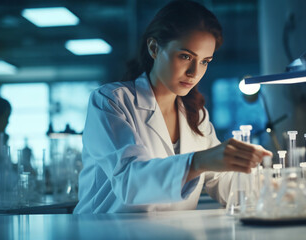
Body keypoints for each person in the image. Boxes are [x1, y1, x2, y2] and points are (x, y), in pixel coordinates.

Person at [74, 0, 272, 214]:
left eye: (205, 61)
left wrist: (279, 187)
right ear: (154, 48)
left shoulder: (196, 116)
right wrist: (199, 161)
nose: (194, 72)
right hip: (105, 231)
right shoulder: (111, 101)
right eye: (185, 56)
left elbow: (224, 182)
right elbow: (130, 180)